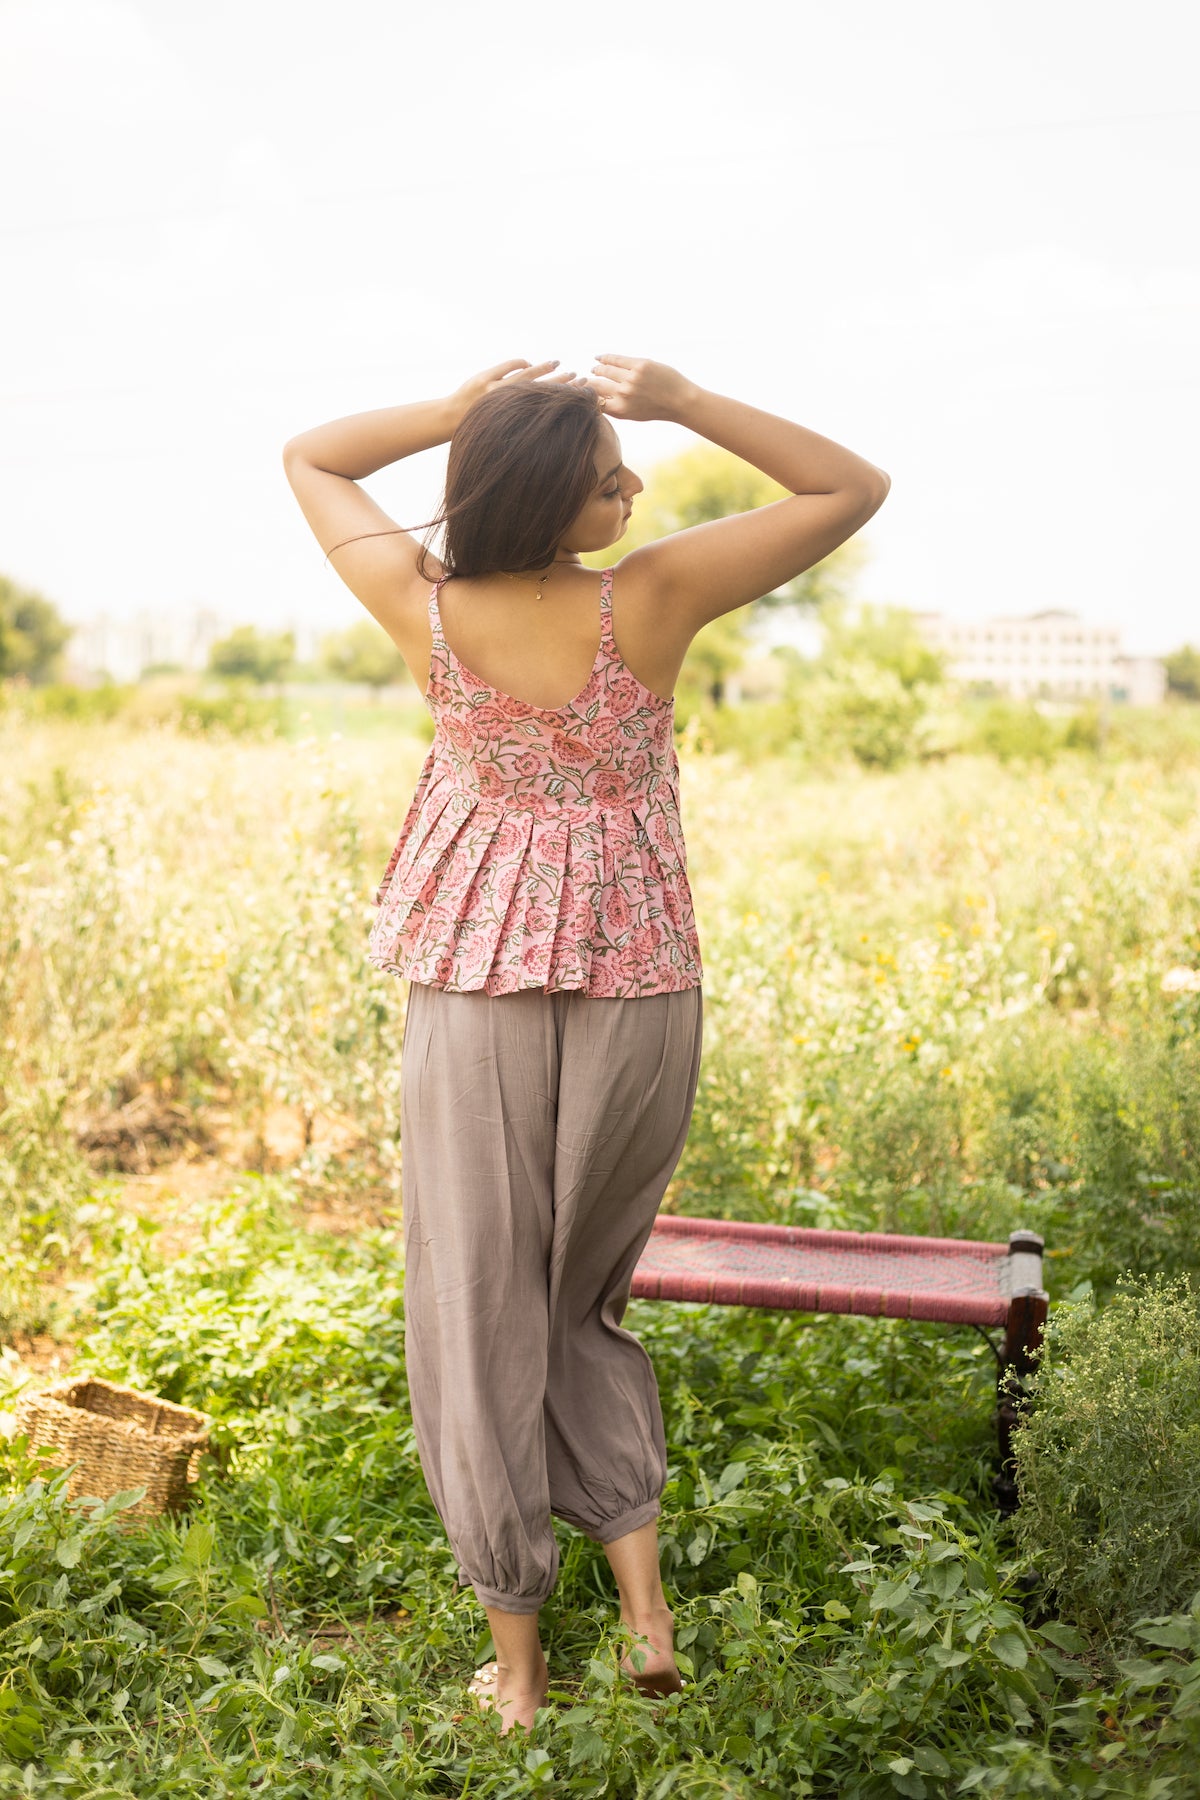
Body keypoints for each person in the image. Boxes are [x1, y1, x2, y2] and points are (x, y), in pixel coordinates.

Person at [282, 355, 889, 1733]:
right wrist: (682, 395)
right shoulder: (656, 598)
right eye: (613, 473)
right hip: (642, 993)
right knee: (578, 1302)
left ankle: (518, 1667)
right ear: (556, 493)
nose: (638, 484)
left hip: (477, 992)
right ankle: (645, 1611)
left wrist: (454, 418)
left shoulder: (421, 603)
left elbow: (312, 457)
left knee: (477, 1308)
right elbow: (850, 487)